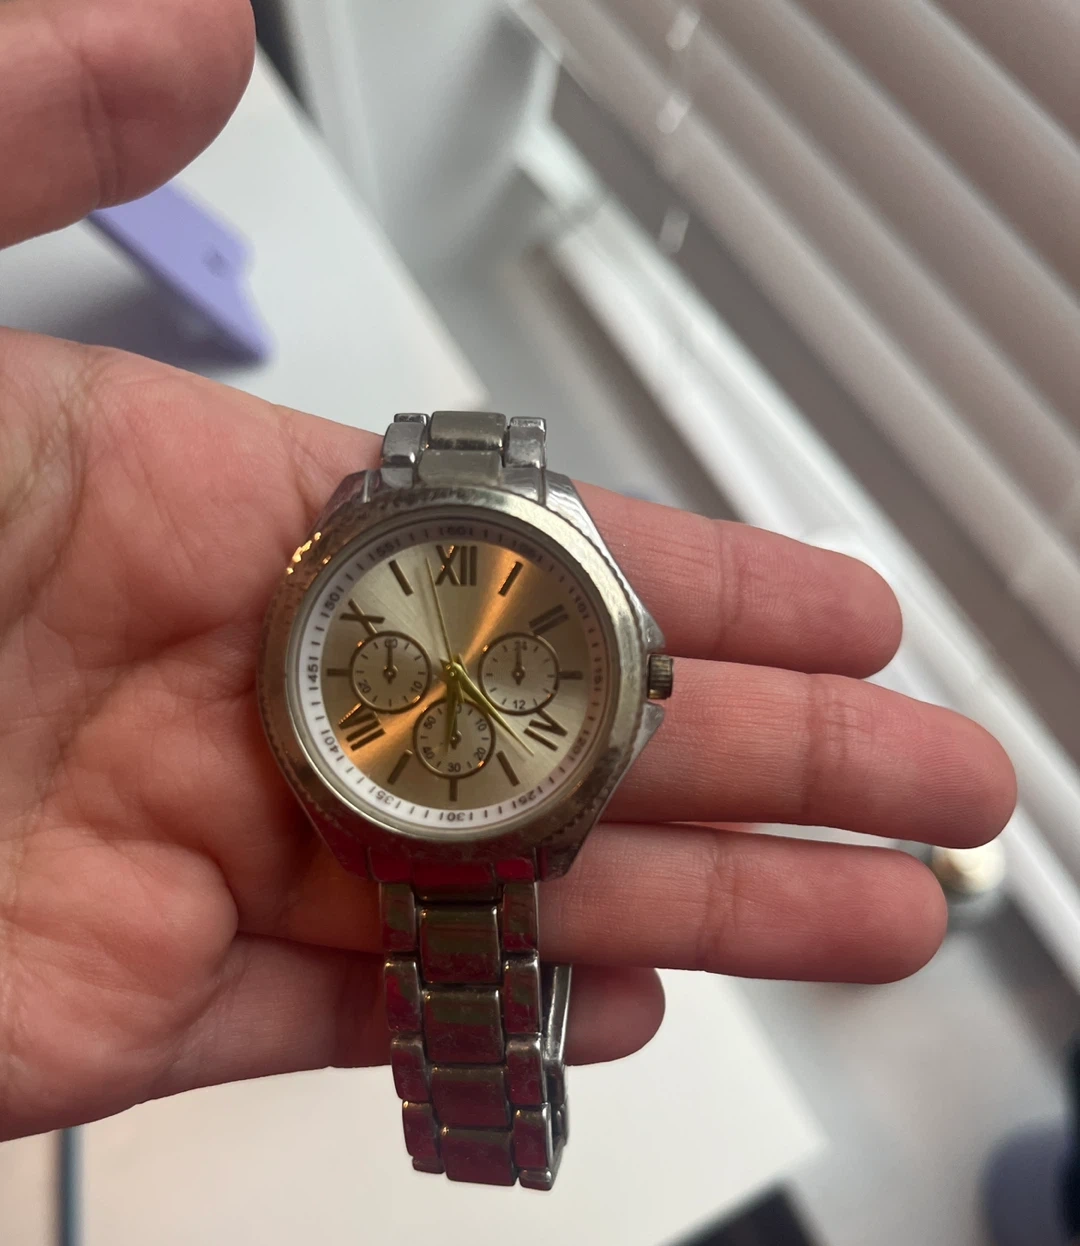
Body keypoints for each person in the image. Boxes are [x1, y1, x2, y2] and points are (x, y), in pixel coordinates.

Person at [0, 0, 1015, 1145]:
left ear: (638, 681)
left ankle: (488, 1125)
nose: (459, 676)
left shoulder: (500, 724)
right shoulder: (345, 689)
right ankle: (487, 1124)